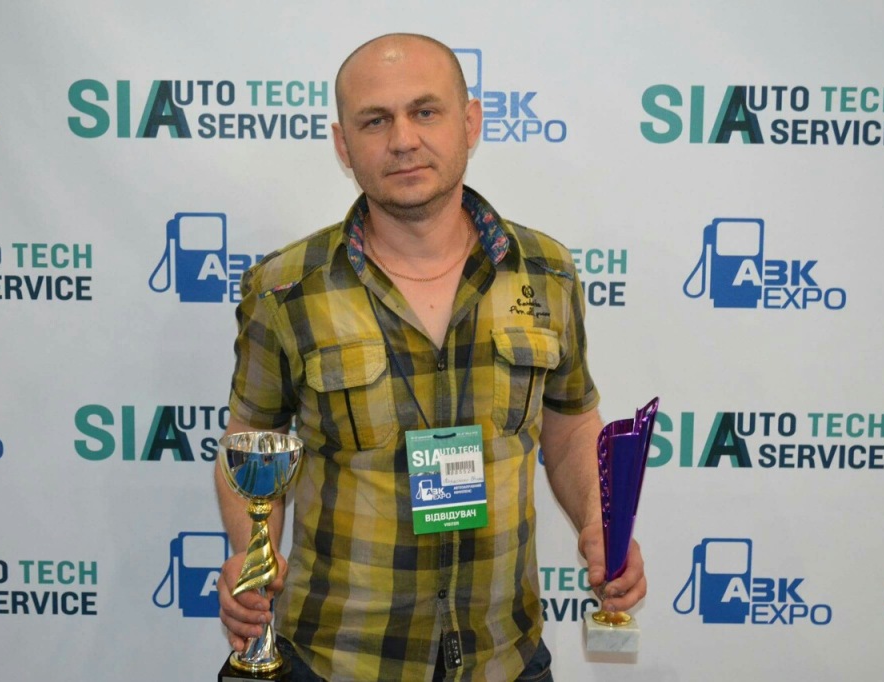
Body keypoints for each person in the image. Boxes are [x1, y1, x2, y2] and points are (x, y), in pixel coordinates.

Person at [215, 32, 646, 682]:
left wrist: (598, 520)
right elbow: (251, 438)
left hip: (504, 653)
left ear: (469, 123)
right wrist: (253, 553)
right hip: (340, 656)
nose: (403, 139)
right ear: (343, 145)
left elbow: (570, 426)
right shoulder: (285, 289)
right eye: (375, 120)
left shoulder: (547, 273)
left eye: (425, 111)